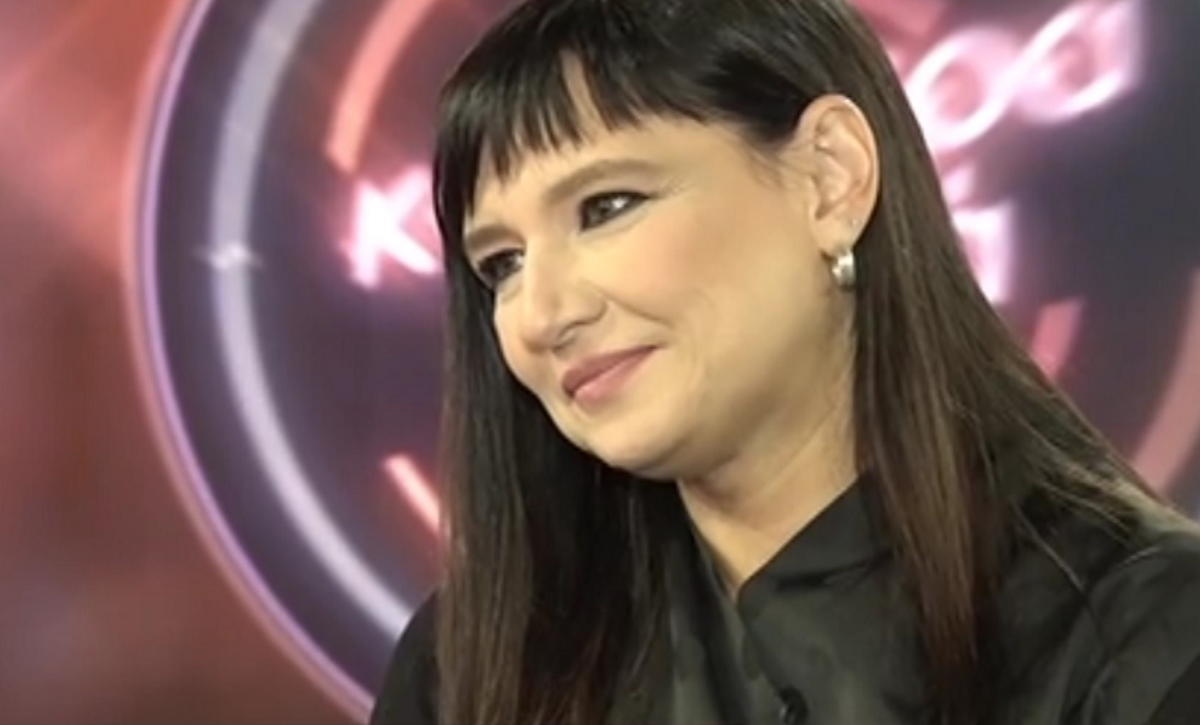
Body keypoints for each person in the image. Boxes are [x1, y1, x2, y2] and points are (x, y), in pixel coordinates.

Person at [369, 0, 1200, 723]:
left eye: (606, 206)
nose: (545, 314)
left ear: (829, 178)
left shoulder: (1145, 640)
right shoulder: (467, 665)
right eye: (502, 263)